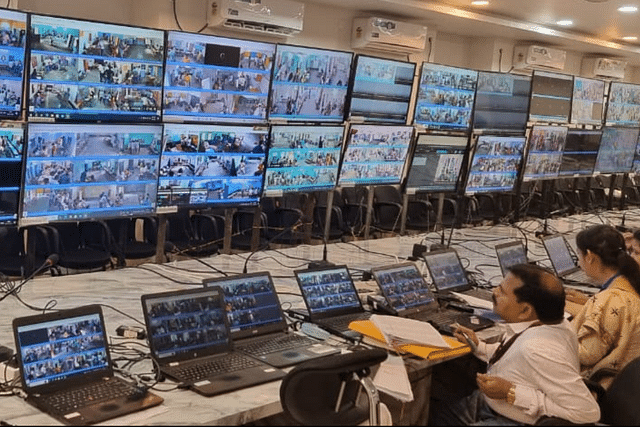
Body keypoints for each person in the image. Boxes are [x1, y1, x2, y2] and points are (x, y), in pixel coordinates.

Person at [430, 263, 600, 425]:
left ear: (525, 311)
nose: (494, 292)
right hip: (496, 405)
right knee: (437, 411)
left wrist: (511, 393)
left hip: (515, 419)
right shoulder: (555, 324)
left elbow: (587, 413)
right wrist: (479, 346)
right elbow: (517, 357)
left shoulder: (537, 349)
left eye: (502, 292)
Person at [570, 224, 640, 388]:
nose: (579, 263)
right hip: (627, 385)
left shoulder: (611, 299)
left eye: (578, 255)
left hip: (604, 387)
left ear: (589, 256)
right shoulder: (629, 283)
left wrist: (555, 334)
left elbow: (588, 354)